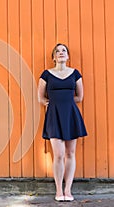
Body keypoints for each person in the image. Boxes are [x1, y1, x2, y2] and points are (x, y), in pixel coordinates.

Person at [37, 43, 87, 202]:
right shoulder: (46, 74)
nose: (61, 53)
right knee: (58, 154)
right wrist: (50, 103)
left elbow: (79, 97)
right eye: (57, 51)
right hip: (54, 116)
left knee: (70, 153)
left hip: (71, 115)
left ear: (68, 56)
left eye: (63, 51)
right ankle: (59, 190)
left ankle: (68, 190)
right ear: (53, 57)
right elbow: (41, 97)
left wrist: (66, 102)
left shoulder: (75, 74)